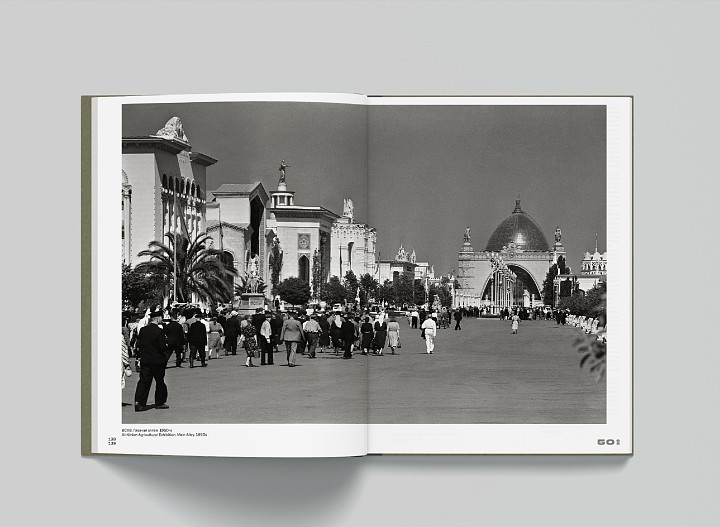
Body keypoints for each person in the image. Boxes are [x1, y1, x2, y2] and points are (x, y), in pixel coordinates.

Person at [134, 310, 169, 411]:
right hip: (157, 361)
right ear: (158, 319)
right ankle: (160, 402)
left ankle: (139, 402)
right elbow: (162, 347)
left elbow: (139, 344)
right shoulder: (159, 331)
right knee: (159, 381)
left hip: (145, 359)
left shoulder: (143, 330)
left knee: (143, 381)